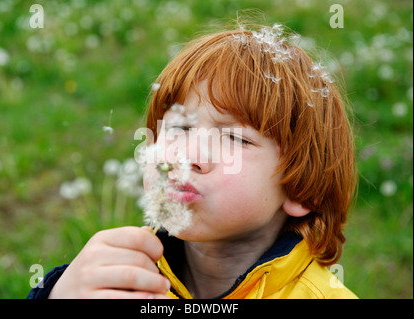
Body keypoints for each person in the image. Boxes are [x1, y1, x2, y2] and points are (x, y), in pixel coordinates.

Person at [28, 18, 358, 299]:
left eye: (233, 137)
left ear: (301, 188)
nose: (188, 155)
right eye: (179, 126)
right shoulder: (116, 279)